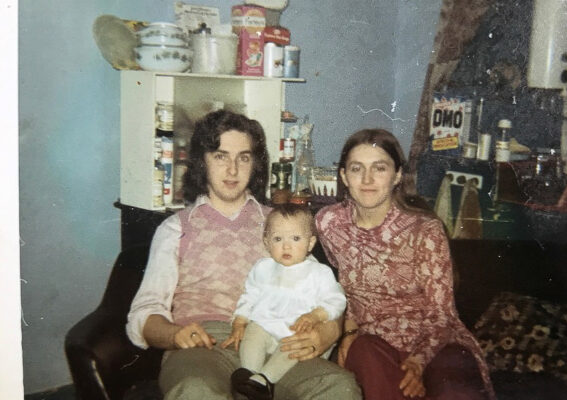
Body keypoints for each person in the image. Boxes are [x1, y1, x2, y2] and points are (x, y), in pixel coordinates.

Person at [125, 110, 361, 400]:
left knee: (340, 387)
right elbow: (144, 312)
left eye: (244, 157)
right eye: (221, 156)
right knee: (195, 392)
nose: (233, 169)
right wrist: (174, 335)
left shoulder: (281, 222)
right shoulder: (175, 228)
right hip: (205, 345)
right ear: (202, 161)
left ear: (256, 164)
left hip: (277, 342)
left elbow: (324, 290)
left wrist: (328, 333)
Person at [315, 128, 496, 400]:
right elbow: (343, 287)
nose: (367, 179)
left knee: (456, 392)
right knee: (366, 357)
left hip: (436, 343)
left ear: (397, 175)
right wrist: (350, 331)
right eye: (356, 168)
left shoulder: (425, 230)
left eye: (379, 168)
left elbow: (442, 315)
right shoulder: (328, 222)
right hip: (373, 344)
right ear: (343, 176)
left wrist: (418, 362)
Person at [223, 204, 346, 400]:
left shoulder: (319, 273)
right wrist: (239, 320)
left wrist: (316, 315)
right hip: (265, 326)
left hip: (294, 331)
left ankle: (264, 380)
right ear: (266, 242)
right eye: (278, 239)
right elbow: (250, 294)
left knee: (293, 347)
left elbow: (336, 300)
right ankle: (247, 373)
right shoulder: (263, 268)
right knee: (253, 332)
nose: (286, 246)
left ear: (310, 243)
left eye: (296, 238)